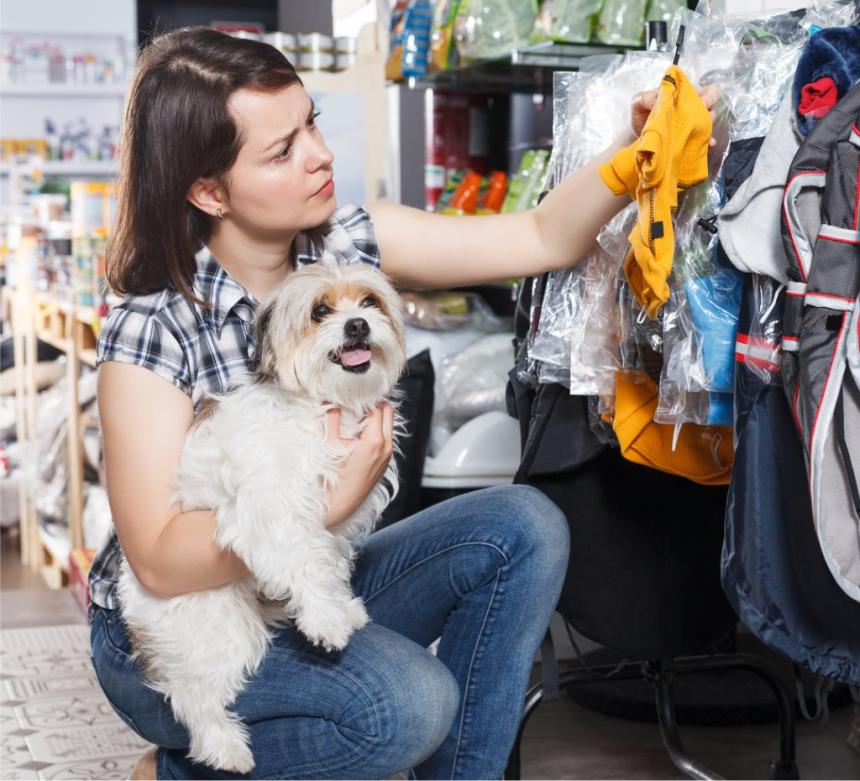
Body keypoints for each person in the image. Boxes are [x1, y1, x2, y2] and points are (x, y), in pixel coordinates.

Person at [89, 27, 717, 781]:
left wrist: (636, 153)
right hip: (175, 633)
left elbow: (541, 234)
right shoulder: (157, 321)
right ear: (208, 190)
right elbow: (157, 560)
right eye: (282, 150)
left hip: (308, 586)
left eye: (311, 122)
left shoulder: (348, 240)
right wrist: (320, 507)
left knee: (525, 524)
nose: (320, 154)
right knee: (410, 703)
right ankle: (176, 769)